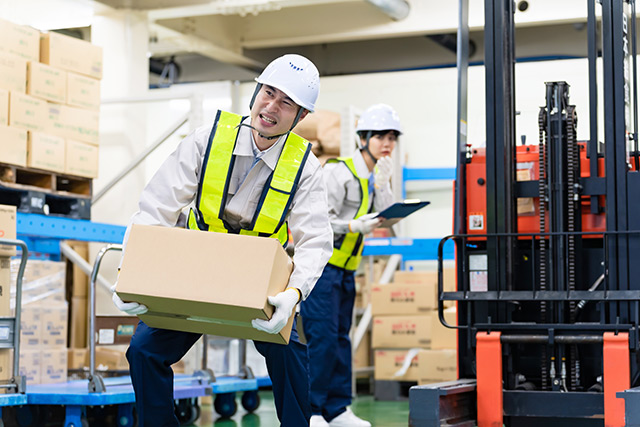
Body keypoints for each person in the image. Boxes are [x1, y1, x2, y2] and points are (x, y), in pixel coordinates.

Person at [111, 54, 334, 427]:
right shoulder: (205, 141)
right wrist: (129, 273)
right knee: (144, 351)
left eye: (286, 102)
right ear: (256, 92)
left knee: (290, 353)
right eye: (268, 92)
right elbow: (156, 208)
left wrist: (292, 295)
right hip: (197, 270)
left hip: (260, 281)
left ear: (300, 117)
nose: (271, 107)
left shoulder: (305, 169)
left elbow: (315, 241)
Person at [301, 104, 402, 427]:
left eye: (392, 137)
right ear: (363, 139)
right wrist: (354, 226)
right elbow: (320, 221)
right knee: (322, 339)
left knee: (342, 340)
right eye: (380, 136)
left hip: (346, 271)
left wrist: (384, 187)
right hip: (321, 269)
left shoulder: (374, 176)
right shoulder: (338, 172)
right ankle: (312, 411)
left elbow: (390, 219)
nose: (387, 143)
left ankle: (337, 409)